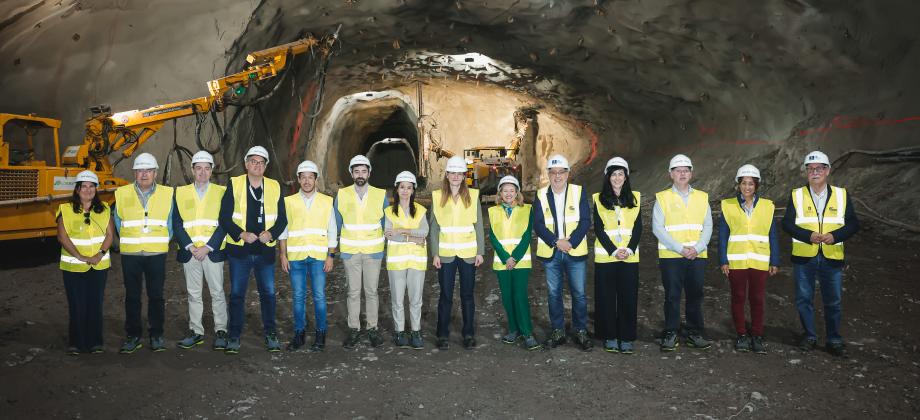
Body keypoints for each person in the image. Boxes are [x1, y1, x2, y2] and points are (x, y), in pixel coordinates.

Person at [781, 151, 859, 357]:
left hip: (831, 256)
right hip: (804, 256)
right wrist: (808, 235)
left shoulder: (841, 194)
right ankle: (809, 336)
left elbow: (853, 223)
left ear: (827, 170)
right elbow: (787, 223)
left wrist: (835, 235)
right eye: (810, 169)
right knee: (803, 298)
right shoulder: (796, 195)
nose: (814, 172)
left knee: (833, 300)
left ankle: (833, 339)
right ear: (806, 172)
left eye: (819, 168)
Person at [218, 146, 288, 354]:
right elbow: (224, 217)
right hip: (240, 251)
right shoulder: (234, 184)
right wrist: (241, 233)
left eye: (261, 162)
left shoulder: (275, 186)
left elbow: (283, 218)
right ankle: (234, 335)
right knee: (238, 294)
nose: (257, 165)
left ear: (266, 166)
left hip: (265, 251)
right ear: (246, 164)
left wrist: (271, 234)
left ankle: (270, 333)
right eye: (253, 161)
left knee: (268, 294)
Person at [113, 152, 174, 353]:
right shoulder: (121, 193)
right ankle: (133, 335)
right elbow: (118, 222)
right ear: (134, 173)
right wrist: (132, 240)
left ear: (156, 173)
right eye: (140, 170)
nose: (144, 174)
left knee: (156, 296)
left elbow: (171, 224)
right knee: (132, 297)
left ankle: (156, 334)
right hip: (131, 254)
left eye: (148, 170)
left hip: (156, 254)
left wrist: (160, 240)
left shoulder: (167, 193)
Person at [652, 154, 713, 352]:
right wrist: (680, 249)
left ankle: (694, 332)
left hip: (697, 256)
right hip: (672, 257)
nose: (682, 174)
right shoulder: (662, 198)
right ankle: (671, 331)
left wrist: (697, 248)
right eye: (678, 171)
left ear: (691, 173)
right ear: (671, 174)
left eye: (686, 170)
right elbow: (657, 228)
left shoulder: (702, 197)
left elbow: (708, 226)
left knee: (695, 294)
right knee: (672, 296)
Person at [718, 164, 779, 354]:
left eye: (751, 184)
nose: (747, 187)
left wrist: (774, 260)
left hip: (760, 260)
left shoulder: (767, 206)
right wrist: (723, 260)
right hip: (736, 261)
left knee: (757, 298)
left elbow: (773, 235)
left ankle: (757, 335)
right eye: (744, 183)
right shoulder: (728, 206)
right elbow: (722, 236)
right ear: (738, 185)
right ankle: (742, 335)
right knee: (738, 297)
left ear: (756, 185)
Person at [533, 154, 592, 351]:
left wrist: (571, 242)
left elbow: (585, 221)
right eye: (553, 172)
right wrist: (556, 242)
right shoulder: (541, 195)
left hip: (574, 251)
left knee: (579, 294)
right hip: (552, 252)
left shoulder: (578, 192)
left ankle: (580, 330)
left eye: (561, 172)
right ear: (548, 174)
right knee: (553, 294)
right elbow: (538, 224)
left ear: (568, 173)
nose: (557, 176)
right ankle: (557, 330)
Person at [172, 151, 229, 351]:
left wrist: (207, 247)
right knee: (193, 293)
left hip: (212, 251)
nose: (202, 172)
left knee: (217, 292)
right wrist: (191, 246)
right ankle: (196, 331)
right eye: (199, 168)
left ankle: (221, 330)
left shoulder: (222, 192)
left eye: (207, 168)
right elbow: (177, 224)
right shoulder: (180, 193)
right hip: (190, 252)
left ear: (212, 170)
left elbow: (224, 223)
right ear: (192, 170)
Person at [279, 160, 336, 352]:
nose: (306, 181)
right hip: (296, 256)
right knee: (298, 297)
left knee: (319, 296)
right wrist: (283, 255)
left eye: (310, 177)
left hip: (319, 256)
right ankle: (299, 334)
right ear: (298, 179)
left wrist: (331, 256)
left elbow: (332, 230)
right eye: (303, 177)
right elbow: (284, 230)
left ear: (316, 180)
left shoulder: (327, 201)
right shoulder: (289, 202)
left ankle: (321, 334)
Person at [430, 155, 485, 350]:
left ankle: (468, 333)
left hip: (468, 253)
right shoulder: (437, 196)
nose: (455, 176)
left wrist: (480, 251)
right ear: (447, 175)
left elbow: (478, 224)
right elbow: (434, 227)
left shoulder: (473, 195)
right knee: (445, 295)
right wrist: (435, 253)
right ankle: (442, 334)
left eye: (458, 173)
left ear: (464, 175)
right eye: (452, 173)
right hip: (445, 254)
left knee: (467, 295)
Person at [56, 170, 115, 355]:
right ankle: (76, 343)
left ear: (96, 189)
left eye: (91, 186)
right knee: (77, 304)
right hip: (73, 266)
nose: (87, 190)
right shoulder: (65, 209)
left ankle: (95, 342)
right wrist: (80, 256)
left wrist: (99, 254)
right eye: (84, 186)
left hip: (98, 266)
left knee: (95, 304)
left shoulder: (104, 209)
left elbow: (110, 235)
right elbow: (62, 237)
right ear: (77, 189)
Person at [335, 155, 388, 349]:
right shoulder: (341, 195)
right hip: (350, 252)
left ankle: (372, 328)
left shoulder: (380, 195)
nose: (360, 175)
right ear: (351, 173)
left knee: (372, 292)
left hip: (373, 251)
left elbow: (385, 223)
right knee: (353, 292)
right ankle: (354, 329)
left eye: (363, 171)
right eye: (356, 171)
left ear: (369, 173)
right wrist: (332, 250)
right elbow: (337, 224)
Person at [592, 157, 642, 354]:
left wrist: (628, 249)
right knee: (606, 298)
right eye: (614, 174)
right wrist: (613, 250)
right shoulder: (598, 198)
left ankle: (626, 337)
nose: (617, 177)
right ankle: (609, 336)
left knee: (628, 297)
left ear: (626, 176)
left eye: (621, 174)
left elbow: (638, 228)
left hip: (629, 257)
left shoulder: (635, 197)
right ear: (608, 176)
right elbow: (598, 228)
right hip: (606, 257)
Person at [488, 175, 540, 351]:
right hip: (502, 262)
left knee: (519, 296)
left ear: (517, 192)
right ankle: (513, 329)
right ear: (500, 193)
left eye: (512, 190)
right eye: (505, 190)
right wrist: (505, 258)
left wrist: (514, 258)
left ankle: (527, 332)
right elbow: (493, 237)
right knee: (507, 297)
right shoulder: (493, 211)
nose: (508, 193)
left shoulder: (527, 210)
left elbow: (526, 237)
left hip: (520, 262)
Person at [384, 171, 428, 350]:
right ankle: (400, 331)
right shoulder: (389, 211)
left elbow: (424, 232)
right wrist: (412, 236)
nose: (405, 191)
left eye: (409, 188)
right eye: (402, 187)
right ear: (397, 189)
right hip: (396, 262)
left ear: (413, 190)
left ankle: (416, 331)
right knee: (397, 299)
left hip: (417, 261)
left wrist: (401, 230)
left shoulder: (420, 210)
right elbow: (389, 235)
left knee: (416, 299)